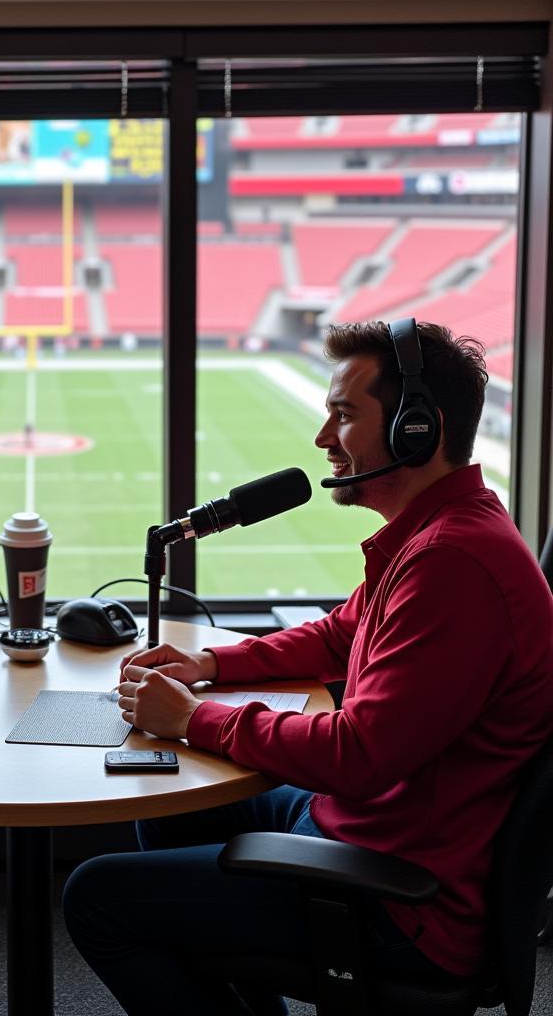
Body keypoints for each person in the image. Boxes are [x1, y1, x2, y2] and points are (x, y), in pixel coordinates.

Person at [62, 320, 553, 1016]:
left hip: (402, 896)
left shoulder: (453, 565)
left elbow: (358, 755)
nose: (323, 438)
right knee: (169, 805)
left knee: (97, 897)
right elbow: (334, 639)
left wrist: (195, 717)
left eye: (345, 415)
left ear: (418, 429)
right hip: (371, 823)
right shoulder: (438, 532)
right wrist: (207, 664)